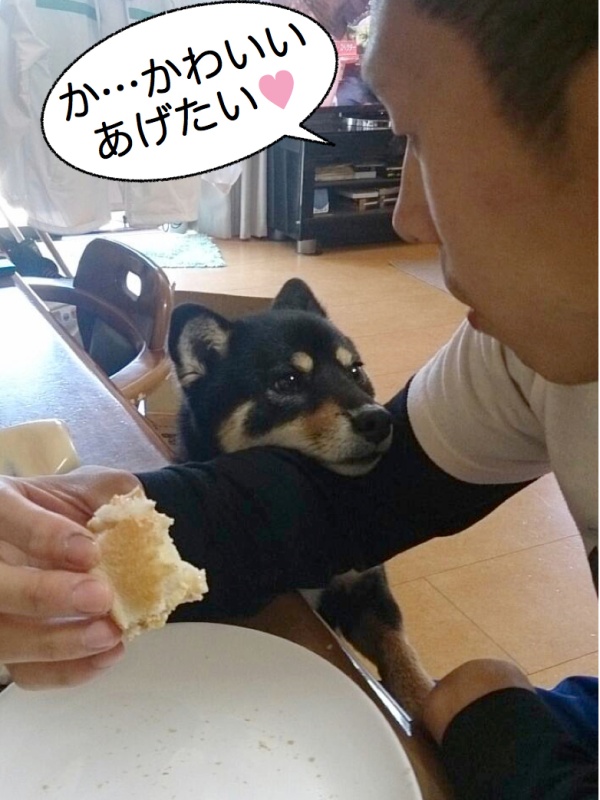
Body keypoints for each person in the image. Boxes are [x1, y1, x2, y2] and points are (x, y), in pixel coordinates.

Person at [0, 0, 596, 797]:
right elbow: (348, 499)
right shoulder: (532, 353)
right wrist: (110, 516)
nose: (406, 218)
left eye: (421, 137)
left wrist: (495, 731)